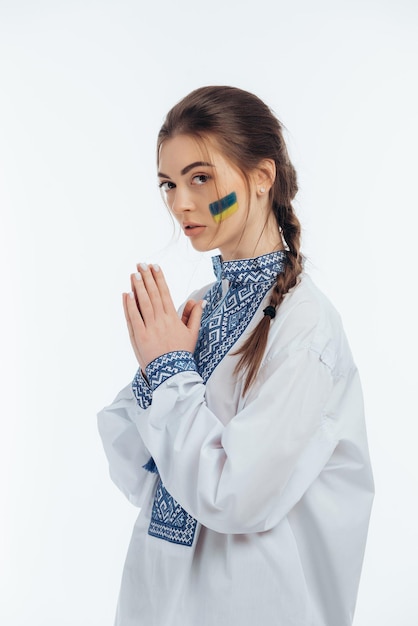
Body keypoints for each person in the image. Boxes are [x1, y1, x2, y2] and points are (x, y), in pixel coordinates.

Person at [97, 86, 374, 626]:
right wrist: (162, 367)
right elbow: (131, 463)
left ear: (262, 176)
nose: (180, 203)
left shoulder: (305, 327)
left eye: (200, 178)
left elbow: (236, 495)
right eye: (168, 184)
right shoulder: (200, 308)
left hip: (257, 604)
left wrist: (170, 373)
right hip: (160, 599)